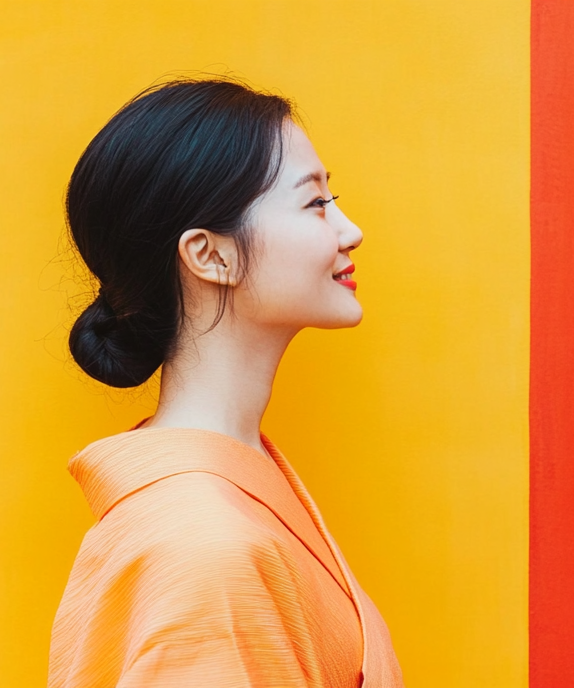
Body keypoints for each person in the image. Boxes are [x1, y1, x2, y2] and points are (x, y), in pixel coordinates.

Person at [48, 79, 402, 688]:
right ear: (211, 256)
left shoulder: (229, 492)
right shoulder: (204, 543)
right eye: (315, 203)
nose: (350, 230)